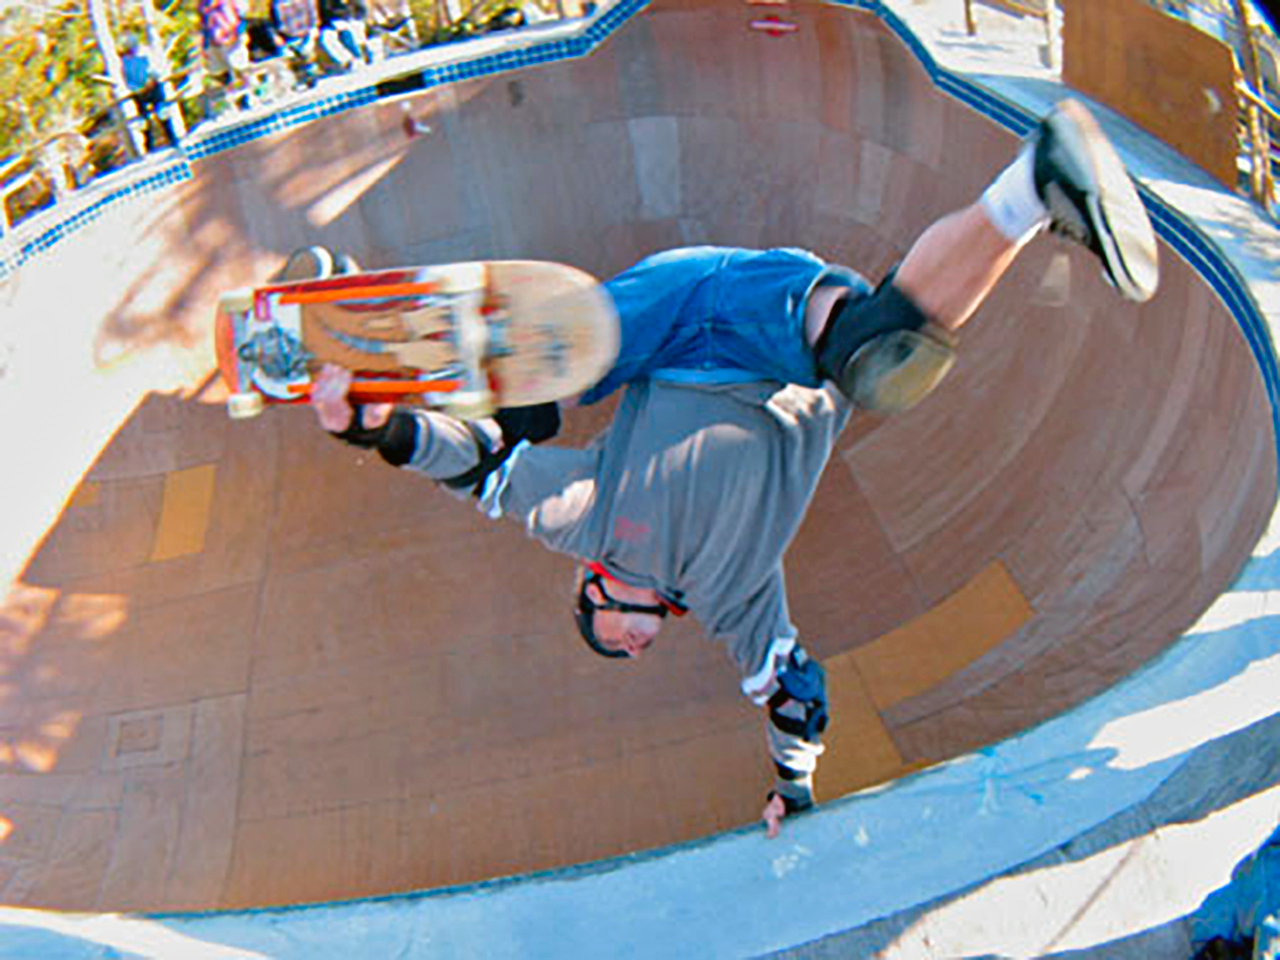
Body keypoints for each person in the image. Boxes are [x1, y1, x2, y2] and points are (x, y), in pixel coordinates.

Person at [309, 99, 1159, 838]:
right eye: (629, 652)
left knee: (527, 410)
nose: (629, 649)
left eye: (608, 637)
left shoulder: (589, 521)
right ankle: (1035, 187)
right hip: (788, 344)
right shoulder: (734, 602)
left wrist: (382, 435)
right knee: (887, 364)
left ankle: (376, 352)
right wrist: (795, 787)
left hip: (684, 324)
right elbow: (795, 696)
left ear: (594, 588)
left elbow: (478, 476)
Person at [120, 34, 176, 150]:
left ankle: (171, 137)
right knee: (143, 118)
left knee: (162, 111)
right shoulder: (125, 61)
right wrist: (137, 89)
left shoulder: (145, 53)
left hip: (153, 87)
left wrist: (151, 81)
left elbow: (154, 69)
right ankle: (149, 145)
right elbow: (127, 79)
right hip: (140, 92)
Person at [200, 0, 251, 110]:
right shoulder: (204, 4)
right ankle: (233, 102)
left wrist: (237, 29)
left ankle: (248, 96)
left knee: (240, 67)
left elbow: (242, 10)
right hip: (215, 41)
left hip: (232, 36)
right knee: (222, 72)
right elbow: (205, 22)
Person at [271, 0, 321, 88]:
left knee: (307, 51)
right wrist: (275, 36)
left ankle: (310, 75)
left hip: (306, 34)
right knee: (287, 55)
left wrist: (313, 30)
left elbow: (314, 16)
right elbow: (272, 23)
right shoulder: (277, 3)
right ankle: (297, 78)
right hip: (288, 38)